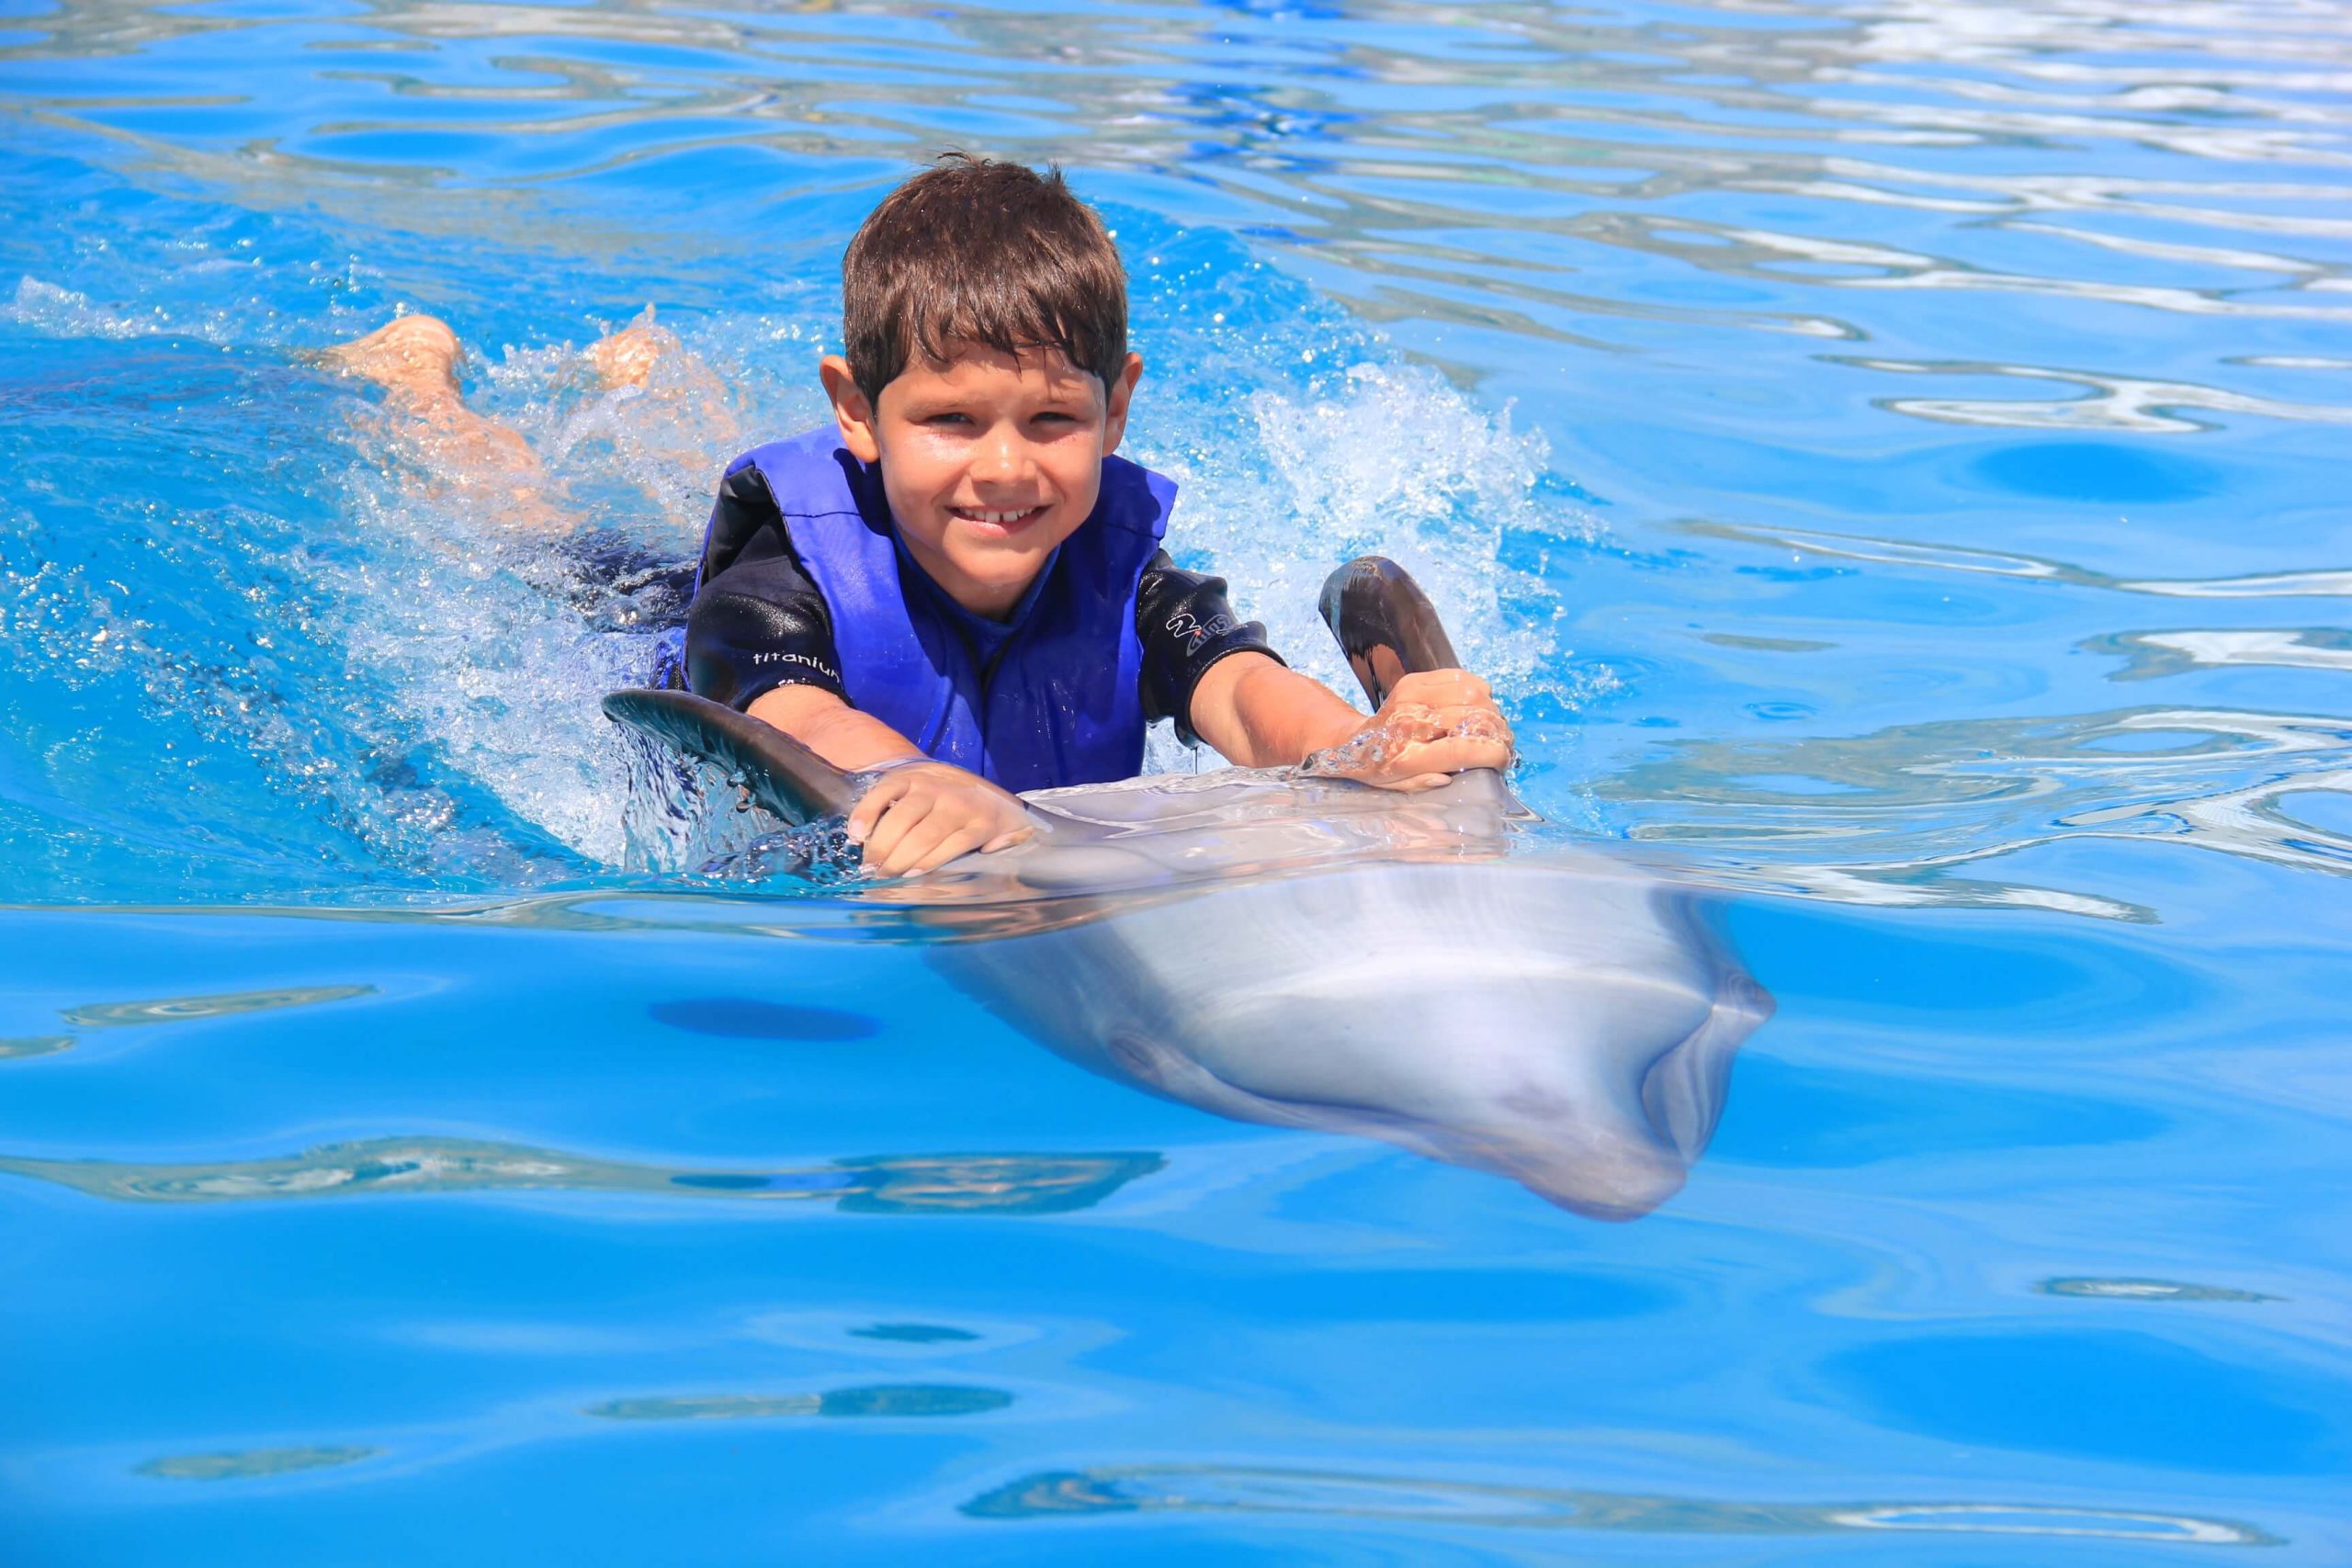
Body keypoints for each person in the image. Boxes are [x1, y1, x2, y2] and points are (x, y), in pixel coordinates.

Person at [327, 155, 1513, 876]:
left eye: (1051, 422)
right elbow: (805, 727)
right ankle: (421, 384)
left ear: (1117, 410)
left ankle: (645, 378)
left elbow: (1245, 693)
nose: (1005, 470)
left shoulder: (1126, 576)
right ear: (858, 407)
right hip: (651, 616)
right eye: (950, 422)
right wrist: (915, 786)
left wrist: (1371, 746)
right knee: (526, 525)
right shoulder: (775, 590)